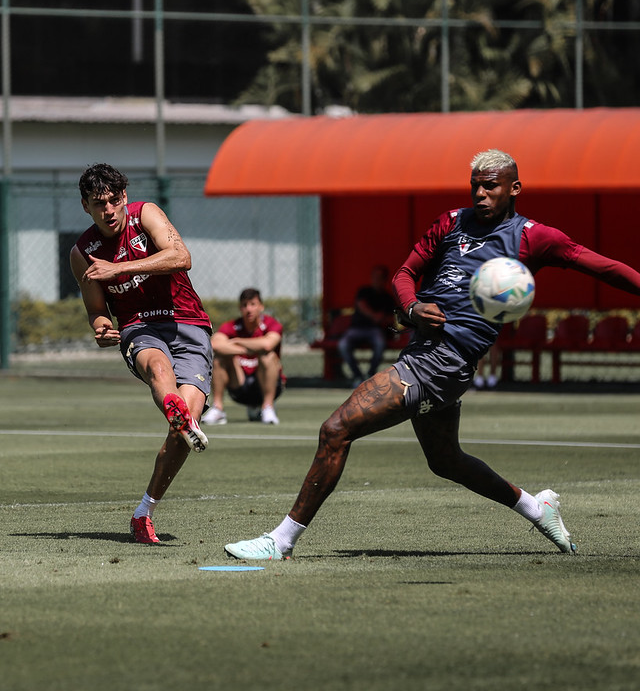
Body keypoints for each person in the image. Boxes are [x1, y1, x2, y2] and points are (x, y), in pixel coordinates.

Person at [223, 148, 640, 560]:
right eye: (475, 186)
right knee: (446, 461)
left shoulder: (534, 237)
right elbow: (405, 273)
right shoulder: (451, 222)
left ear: (514, 189)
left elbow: (601, 266)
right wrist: (412, 308)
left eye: (491, 187)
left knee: (335, 430)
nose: (480, 194)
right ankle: (536, 508)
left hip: (444, 361)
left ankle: (281, 541)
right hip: (425, 350)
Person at [70, 163, 213, 545]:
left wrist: (118, 268)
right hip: (138, 326)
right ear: (85, 206)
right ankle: (172, 405)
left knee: (183, 432)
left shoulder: (145, 214)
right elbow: (96, 309)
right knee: (157, 366)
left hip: (188, 322)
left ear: (125, 198)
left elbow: (181, 256)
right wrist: (102, 326)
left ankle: (143, 511)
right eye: (99, 203)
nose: (108, 210)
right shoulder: (82, 252)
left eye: (114, 200)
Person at [201, 288, 285, 426]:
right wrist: (251, 348)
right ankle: (218, 409)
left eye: (253, 304)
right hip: (240, 385)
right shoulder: (232, 326)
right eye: (245, 305)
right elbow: (215, 344)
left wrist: (237, 341)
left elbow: (268, 345)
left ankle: (268, 408)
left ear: (261, 306)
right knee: (220, 358)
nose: (249, 309)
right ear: (240, 308)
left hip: (268, 385)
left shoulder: (272, 324)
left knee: (268, 356)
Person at [338, 265, 397, 386]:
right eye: (374, 277)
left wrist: (382, 319)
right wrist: (375, 316)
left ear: (385, 279)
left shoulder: (388, 298)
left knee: (380, 343)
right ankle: (358, 376)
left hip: (375, 330)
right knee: (343, 345)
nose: (376, 280)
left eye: (380, 277)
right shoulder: (364, 291)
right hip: (356, 329)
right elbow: (362, 305)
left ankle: (370, 374)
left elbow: (391, 319)